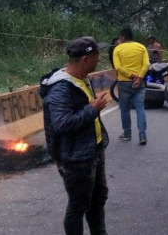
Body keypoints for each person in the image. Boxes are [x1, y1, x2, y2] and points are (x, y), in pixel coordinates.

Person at [40, 37, 109, 235]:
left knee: (97, 199)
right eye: (96, 56)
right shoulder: (61, 88)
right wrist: (92, 109)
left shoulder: (81, 78)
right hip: (75, 157)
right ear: (86, 59)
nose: (99, 59)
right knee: (78, 205)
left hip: (92, 150)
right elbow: (62, 123)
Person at [113, 28, 150, 145]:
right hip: (139, 83)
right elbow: (147, 64)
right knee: (140, 108)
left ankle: (127, 133)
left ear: (123, 37)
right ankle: (142, 134)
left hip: (124, 83)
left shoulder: (118, 49)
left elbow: (118, 67)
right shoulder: (141, 47)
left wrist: (130, 75)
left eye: (120, 37)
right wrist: (139, 78)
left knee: (124, 109)